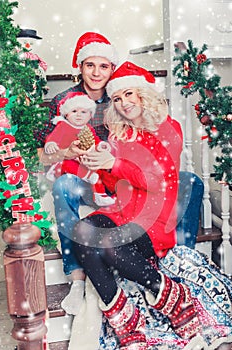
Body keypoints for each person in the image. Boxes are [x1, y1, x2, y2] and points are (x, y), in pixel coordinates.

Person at [68, 61, 232, 349]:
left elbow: (160, 180)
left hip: (153, 222)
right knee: (82, 232)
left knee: (107, 243)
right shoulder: (121, 133)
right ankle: (123, 317)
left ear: (144, 93)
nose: (123, 103)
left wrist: (115, 163)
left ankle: (166, 293)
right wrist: (97, 165)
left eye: (129, 94)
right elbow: (113, 185)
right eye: (117, 98)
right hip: (122, 212)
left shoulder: (168, 129)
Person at [38, 31, 118, 315]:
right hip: (79, 178)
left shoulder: (120, 98)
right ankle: (76, 277)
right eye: (90, 65)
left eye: (104, 66)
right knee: (62, 187)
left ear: (112, 68)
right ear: (80, 67)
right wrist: (65, 154)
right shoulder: (63, 100)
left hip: (113, 178)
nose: (96, 73)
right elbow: (39, 152)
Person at [44, 91, 115, 207]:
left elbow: (95, 140)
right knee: (81, 170)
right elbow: (52, 138)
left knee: (99, 173)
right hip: (66, 162)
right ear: (66, 114)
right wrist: (50, 144)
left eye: (83, 112)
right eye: (74, 111)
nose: (79, 115)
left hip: (84, 160)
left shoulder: (88, 128)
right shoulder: (63, 126)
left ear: (89, 115)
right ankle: (91, 183)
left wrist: (101, 145)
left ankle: (100, 195)